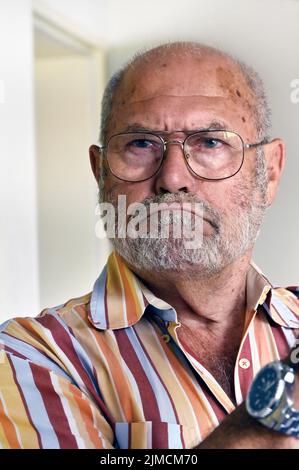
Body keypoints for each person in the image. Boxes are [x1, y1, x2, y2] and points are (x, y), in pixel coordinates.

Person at [0, 41, 299, 449]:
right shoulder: (30, 356)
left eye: (210, 142)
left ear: (270, 173)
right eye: (141, 143)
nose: (173, 177)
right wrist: (277, 411)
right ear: (100, 171)